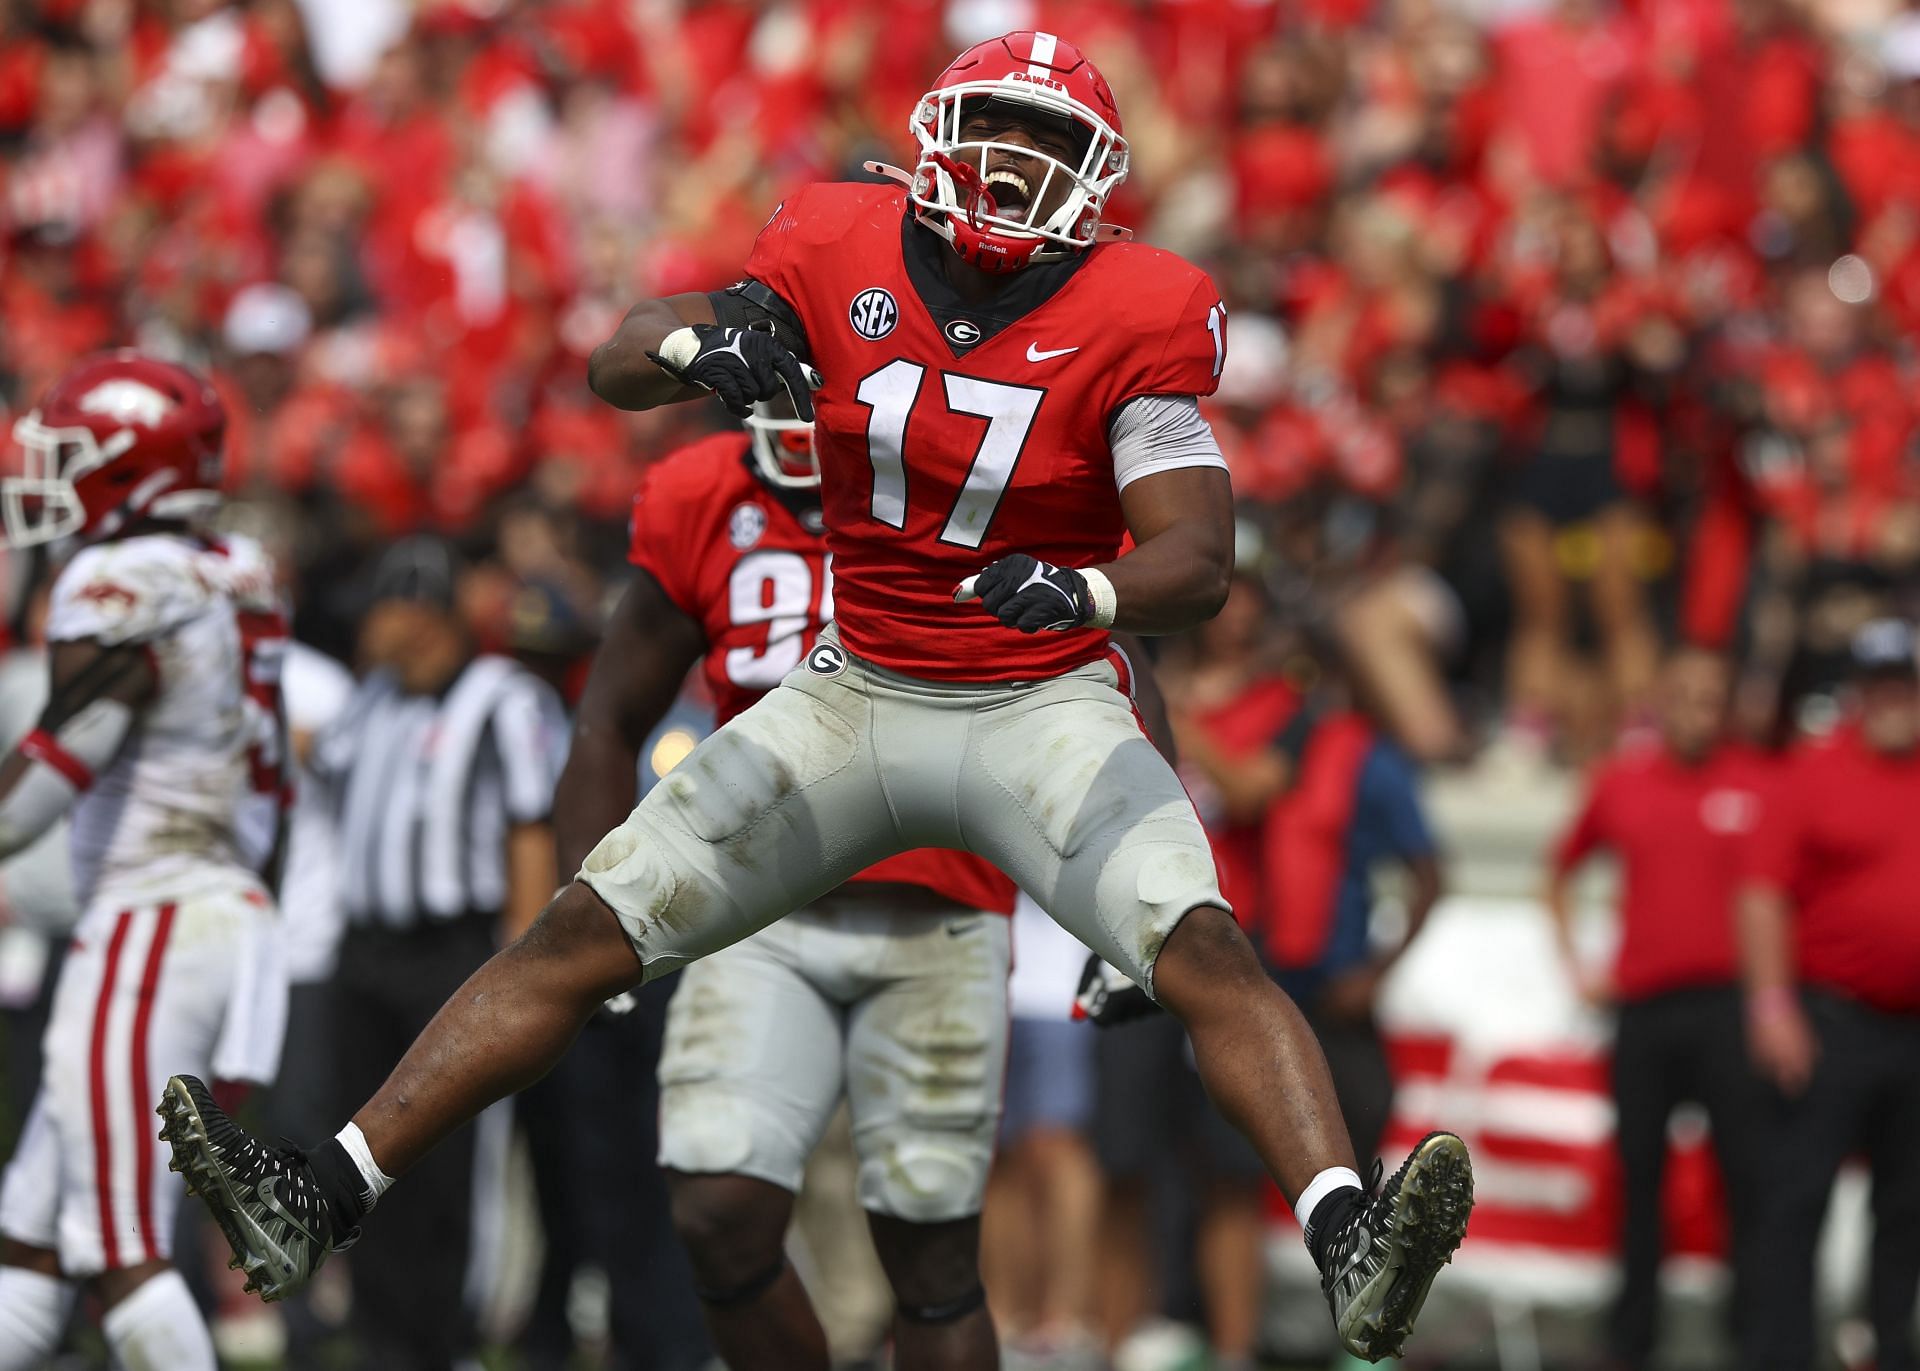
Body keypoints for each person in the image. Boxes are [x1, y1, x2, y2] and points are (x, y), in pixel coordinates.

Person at [163, 31, 1474, 1363]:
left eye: (1052, 142)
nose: (1016, 162)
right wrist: (698, 337)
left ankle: (1346, 1232)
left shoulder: (1142, 302)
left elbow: (1198, 551)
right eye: (997, 128)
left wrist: (1090, 594)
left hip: (1039, 697)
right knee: (581, 925)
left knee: (1205, 944)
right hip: (856, 692)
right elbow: (620, 362)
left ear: (1099, 176)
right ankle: (315, 1195)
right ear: (934, 133)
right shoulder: (835, 236)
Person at [556, 401, 1046, 1368]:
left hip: (935, 906)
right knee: (715, 1206)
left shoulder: (972, 468)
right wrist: (593, 914)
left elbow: (1114, 660)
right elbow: (610, 714)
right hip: (758, 912)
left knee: (932, 1258)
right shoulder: (706, 491)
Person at [0, 351, 290, 1371]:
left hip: (153, 919)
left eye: (74, 454)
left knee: (119, 1250)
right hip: (221, 908)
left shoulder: (115, 579)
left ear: (133, 466)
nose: (46, 475)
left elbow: (48, 776)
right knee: (29, 1239)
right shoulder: (231, 564)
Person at [307, 534, 563, 1371]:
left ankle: (451, 1336)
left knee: (454, 1162)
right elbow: (322, 756)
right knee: (358, 1152)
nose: (362, 632)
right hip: (367, 953)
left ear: (417, 611)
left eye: (377, 611)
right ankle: (386, 1339)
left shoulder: (503, 699)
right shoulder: (369, 702)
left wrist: (522, 968)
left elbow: (533, 827)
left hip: (452, 956)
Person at [1546, 645, 1771, 1370]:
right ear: (1661, 700)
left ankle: (1754, 1337)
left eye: (1713, 696)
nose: (1698, 711)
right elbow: (1559, 868)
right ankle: (1631, 1340)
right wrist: (1578, 963)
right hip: (1645, 1010)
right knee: (1638, 1177)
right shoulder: (1624, 782)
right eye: (1686, 695)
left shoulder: (1758, 782)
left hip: (1730, 1008)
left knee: (1747, 1174)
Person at [1738, 619, 1920, 1371]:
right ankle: (1783, 1352)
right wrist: (1772, 1005)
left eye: (1902, 683)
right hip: (1832, 1017)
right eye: (1876, 683)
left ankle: (1887, 1345)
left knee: (1907, 1208)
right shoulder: (1813, 769)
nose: (1890, 698)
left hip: (1914, 1031)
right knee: (1797, 1199)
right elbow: (1760, 894)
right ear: (1856, 690)